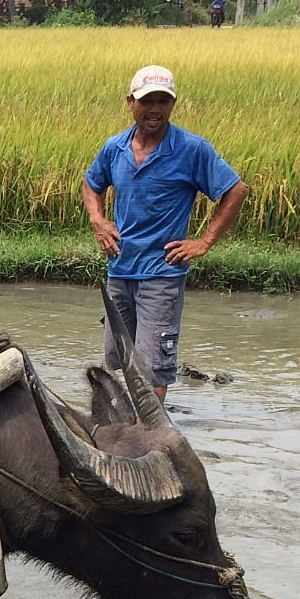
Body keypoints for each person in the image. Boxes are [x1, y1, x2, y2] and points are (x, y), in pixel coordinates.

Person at [82, 65, 247, 399]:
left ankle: (150, 440)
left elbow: (236, 190)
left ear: (173, 104)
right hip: (120, 268)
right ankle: (122, 432)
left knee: (151, 367)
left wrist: (204, 241)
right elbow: (91, 183)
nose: (154, 109)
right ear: (130, 103)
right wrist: (98, 221)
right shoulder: (115, 148)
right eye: (147, 101)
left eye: (163, 101)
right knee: (117, 361)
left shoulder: (191, 149)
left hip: (161, 274)